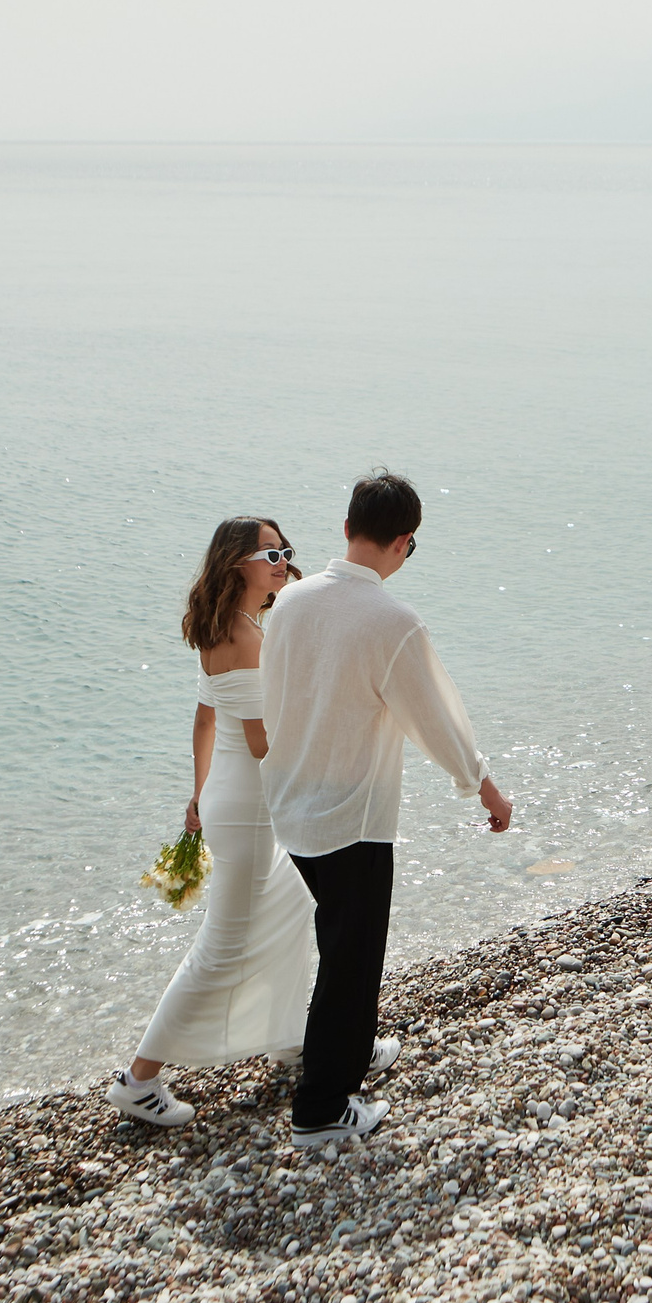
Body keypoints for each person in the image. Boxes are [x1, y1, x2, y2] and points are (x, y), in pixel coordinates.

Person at [260, 470, 512, 1147]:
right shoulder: (391, 621)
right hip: (352, 816)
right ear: (403, 542)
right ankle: (321, 1107)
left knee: (337, 941)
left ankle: (349, 1044)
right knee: (352, 955)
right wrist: (483, 786)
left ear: (346, 528)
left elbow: (274, 697)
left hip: (292, 805)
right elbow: (437, 719)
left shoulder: (289, 600)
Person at [105, 516, 324, 1128]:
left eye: (286, 552)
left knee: (294, 902)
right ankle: (139, 1080)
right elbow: (262, 743)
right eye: (270, 554)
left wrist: (198, 794)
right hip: (252, 810)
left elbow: (206, 719)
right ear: (237, 564)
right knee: (221, 951)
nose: (282, 562)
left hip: (230, 801)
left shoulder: (225, 627)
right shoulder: (248, 638)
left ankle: (289, 1038)